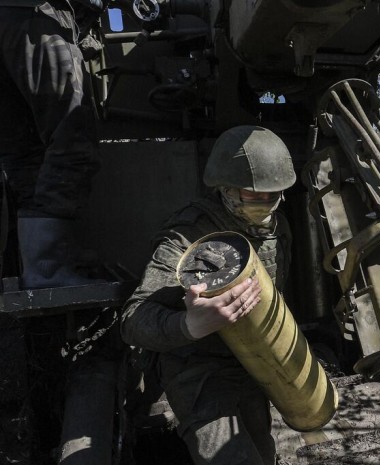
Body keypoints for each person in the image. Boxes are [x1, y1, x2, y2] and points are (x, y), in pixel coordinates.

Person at [122, 125, 296, 465]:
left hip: (250, 366)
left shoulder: (278, 227)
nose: (264, 203)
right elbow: (133, 319)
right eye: (252, 195)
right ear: (225, 189)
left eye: (272, 195)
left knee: (264, 455)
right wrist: (191, 324)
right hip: (197, 372)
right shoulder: (186, 236)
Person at [0, 0, 105, 288]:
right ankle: (48, 268)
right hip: (34, 15)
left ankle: (45, 262)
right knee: (72, 134)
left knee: (25, 152)